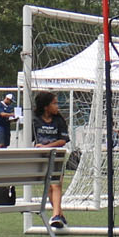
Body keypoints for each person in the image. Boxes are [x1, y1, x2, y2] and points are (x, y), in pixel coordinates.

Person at [32, 91, 69, 228]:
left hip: (57, 157)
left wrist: (47, 146)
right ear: (46, 106)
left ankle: (55, 215)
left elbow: (62, 140)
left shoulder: (59, 120)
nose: (57, 106)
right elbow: (29, 138)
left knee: (56, 184)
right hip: (41, 158)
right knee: (48, 188)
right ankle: (59, 214)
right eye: (54, 103)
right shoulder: (35, 120)